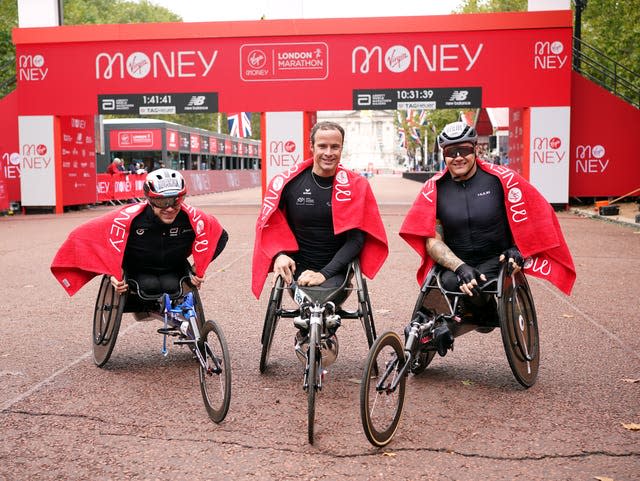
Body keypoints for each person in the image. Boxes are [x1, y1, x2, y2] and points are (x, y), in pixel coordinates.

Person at [399, 121, 575, 350]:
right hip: (458, 263)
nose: (458, 157)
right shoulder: (436, 189)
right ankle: (461, 317)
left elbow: (533, 215)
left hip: (496, 259)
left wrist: (518, 249)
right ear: (444, 155)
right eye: (451, 152)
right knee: (452, 281)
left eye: (464, 150)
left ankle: (481, 312)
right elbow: (432, 240)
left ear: (475, 149)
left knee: (479, 280)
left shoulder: (501, 180)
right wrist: (460, 267)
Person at [252, 121, 388, 309]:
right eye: (322, 146)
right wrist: (279, 254)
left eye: (335, 147)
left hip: (337, 269)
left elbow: (356, 240)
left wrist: (323, 274)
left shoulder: (357, 186)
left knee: (321, 307)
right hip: (297, 265)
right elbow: (271, 225)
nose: (328, 153)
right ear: (311, 146)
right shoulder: (288, 184)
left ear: (342, 148)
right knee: (310, 308)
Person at [51, 168, 228, 305]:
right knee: (150, 286)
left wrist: (199, 267)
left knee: (171, 286)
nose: (169, 208)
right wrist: (111, 271)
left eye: (175, 201)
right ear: (149, 200)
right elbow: (84, 238)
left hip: (174, 267)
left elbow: (220, 236)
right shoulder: (128, 218)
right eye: (161, 201)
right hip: (138, 269)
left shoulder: (193, 218)